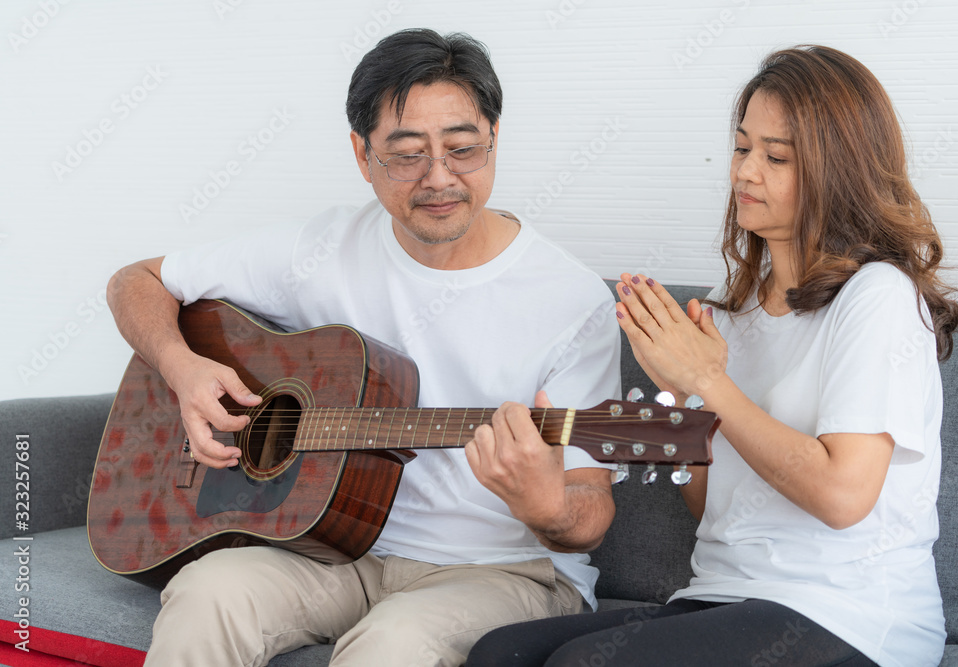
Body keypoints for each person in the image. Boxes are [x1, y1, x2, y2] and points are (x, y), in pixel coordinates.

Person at [106, 28, 621, 666]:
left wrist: (547, 507)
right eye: (406, 155)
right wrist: (183, 370)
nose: (440, 178)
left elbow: (591, 508)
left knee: (392, 645)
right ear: (361, 154)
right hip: (335, 552)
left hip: (500, 573)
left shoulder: (572, 300)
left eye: (463, 148)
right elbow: (138, 280)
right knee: (208, 592)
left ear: (494, 137)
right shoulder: (319, 251)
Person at [466, 44, 958, 667]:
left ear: (841, 170)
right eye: (741, 147)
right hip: (723, 597)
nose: (745, 172)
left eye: (775, 156)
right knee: (497, 655)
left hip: (850, 615)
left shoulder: (878, 295)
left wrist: (708, 379)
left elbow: (843, 497)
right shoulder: (732, 310)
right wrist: (681, 394)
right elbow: (710, 507)